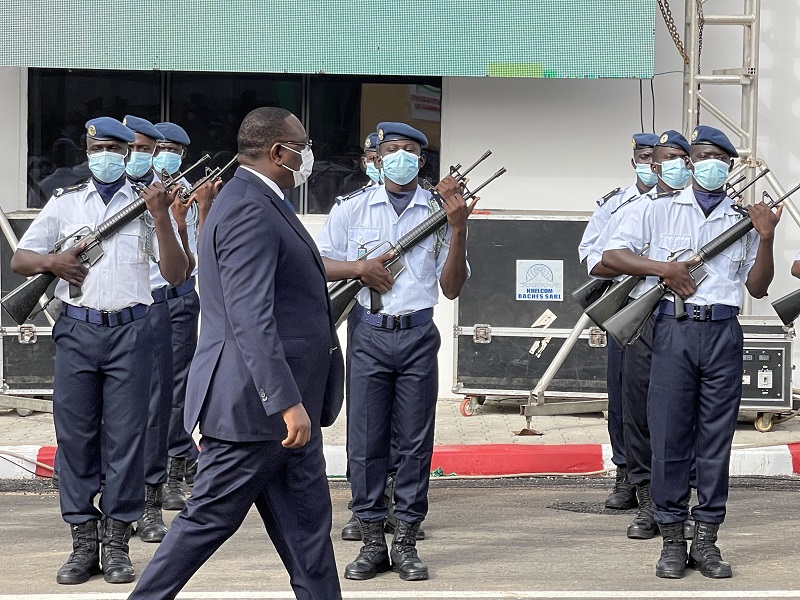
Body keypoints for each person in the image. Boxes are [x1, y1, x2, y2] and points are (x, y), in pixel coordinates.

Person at [127, 107, 344, 600]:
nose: (307, 155)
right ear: (277, 152)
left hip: (288, 410)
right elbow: (250, 315)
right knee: (205, 523)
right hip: (257, 408)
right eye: (301, 145)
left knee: (309, 538)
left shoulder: (251, 200)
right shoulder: (248, 205)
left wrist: (294, 403)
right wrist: (284, 401)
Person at [12, 117, 188, 585]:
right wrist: (54, 261)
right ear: (89, 153)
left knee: (127, 439)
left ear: (132, 154)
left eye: (117, 148)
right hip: (78, 330)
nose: (107, 156)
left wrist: (160, 218)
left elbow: (174, 274)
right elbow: (21, 258)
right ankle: (82, 540)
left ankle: (116, 541)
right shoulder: (67, 204)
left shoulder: (148, 204)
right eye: (100, 148)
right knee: (76, 439)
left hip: (131, 332)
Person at [603, 125, 781, 579]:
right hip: (673, 330)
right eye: (701, 155)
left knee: (715, 442)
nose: (709, 164)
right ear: (687, 161)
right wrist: (662, 268)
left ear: (730, 166)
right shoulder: (656, 209)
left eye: (720, 157)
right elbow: (613, 254)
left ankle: (707, 540)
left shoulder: (740, 218)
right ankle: (672, 540)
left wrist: (765, 237)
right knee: (669, 438)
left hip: (722, 331)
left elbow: (757, 288)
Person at [316, 121, 472, 582]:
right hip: (368, 333)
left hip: (419, 336)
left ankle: (404, 538)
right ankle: (369, 540)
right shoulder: (352, 207)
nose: (402, 157)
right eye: (393, 150)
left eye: (411, 151)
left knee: (414, 442)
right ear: (377, 159)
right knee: (364, 442)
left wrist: (459, 227)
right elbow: (320, 263)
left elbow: (452, 287)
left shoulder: (441, 211)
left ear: (421, 162)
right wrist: (359, 268)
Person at [592, 130, 694, 541]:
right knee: (635, 408)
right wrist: (658, 267)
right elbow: (601, 260)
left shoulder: (706, 210)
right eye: (655, 157)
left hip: (688, 318)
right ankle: (646, 494)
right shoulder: (632, 207)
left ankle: (680, 499)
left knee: (679, 413)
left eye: (676, 157)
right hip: (641, 314)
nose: (663, 164)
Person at [578, 132, 659, 511]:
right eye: (644, 156)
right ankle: (626, 474)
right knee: (623, 396)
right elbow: (592, 258)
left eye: (657, 157)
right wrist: (630, 260)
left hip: (670, 309)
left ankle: (663, 477)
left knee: (663, 398)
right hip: (627, 307)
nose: (651, 164)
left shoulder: (684, 204)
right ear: (635, 161)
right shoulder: (615, 205)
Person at [122, 115, 175, 544]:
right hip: (105, 318)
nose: (132, 154)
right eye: (128, 147)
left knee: (155, 412)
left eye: (142, 148)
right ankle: (108, 511)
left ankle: (150, 502)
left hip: (153, 308)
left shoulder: (164, 195)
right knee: (111, 419)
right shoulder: (86, 198)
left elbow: (179, 264)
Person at [151, 122, 204, 511]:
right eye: (159, 147)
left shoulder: (187, 195)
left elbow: (198, 253)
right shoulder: (139, 193)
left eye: (173, 149)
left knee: (177, 389)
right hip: (144, 300)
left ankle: (174, 465)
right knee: (147, 391)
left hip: (180, 295)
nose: (164, 155)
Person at [337, 132, 381, 199]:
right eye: (372, 159)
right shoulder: (354, 195)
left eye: (381, 158)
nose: (377, 162)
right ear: (364, 162)